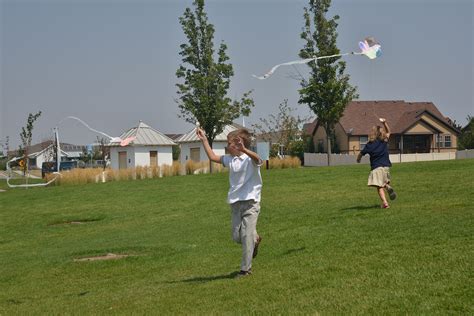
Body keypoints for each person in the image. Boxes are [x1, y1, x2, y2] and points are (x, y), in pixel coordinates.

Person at [196, 127, 263, 278]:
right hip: (235, 203)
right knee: (236, 236)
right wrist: (204, 139)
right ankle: (256, 239)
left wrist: (245, 150)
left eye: (230, 143)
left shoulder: (250, 159)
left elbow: (259, 160)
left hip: (251, 203)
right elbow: (213, 157)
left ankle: (245, 270)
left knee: (246, 236)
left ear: (240, 144)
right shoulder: (230, 160)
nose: (227, 146)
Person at [357, 118, 397, 208]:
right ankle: (387, 186)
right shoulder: (384, 141)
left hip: (377, 167)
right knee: (383, 183)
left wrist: (358, 159)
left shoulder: (370, 144)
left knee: (379, 187)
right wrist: (385, 123)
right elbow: (389, 132)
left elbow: (361, 153)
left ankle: (385, 203)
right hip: (386, 167)